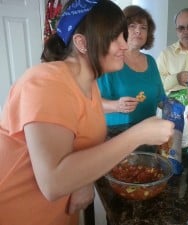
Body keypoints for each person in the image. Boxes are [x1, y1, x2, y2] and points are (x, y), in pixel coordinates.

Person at [0, 1, 174, 225]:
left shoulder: (88, 82)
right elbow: (54, 182)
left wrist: (83, 181)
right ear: (82, 42)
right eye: (115, 37)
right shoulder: (46, 82)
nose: (124, 44)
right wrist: (137, 135)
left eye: (123, 35)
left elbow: (77, 141)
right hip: (17, 213)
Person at [97, 5, 165, 127]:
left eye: (143, 27)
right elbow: (92, 103)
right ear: (121, 30)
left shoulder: (151, 61)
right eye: (132, 26)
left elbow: (160, 99)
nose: (138, 31)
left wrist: (177, 106)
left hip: (148, 130)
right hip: (116, 133)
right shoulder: (109, 60)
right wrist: (117, 105)